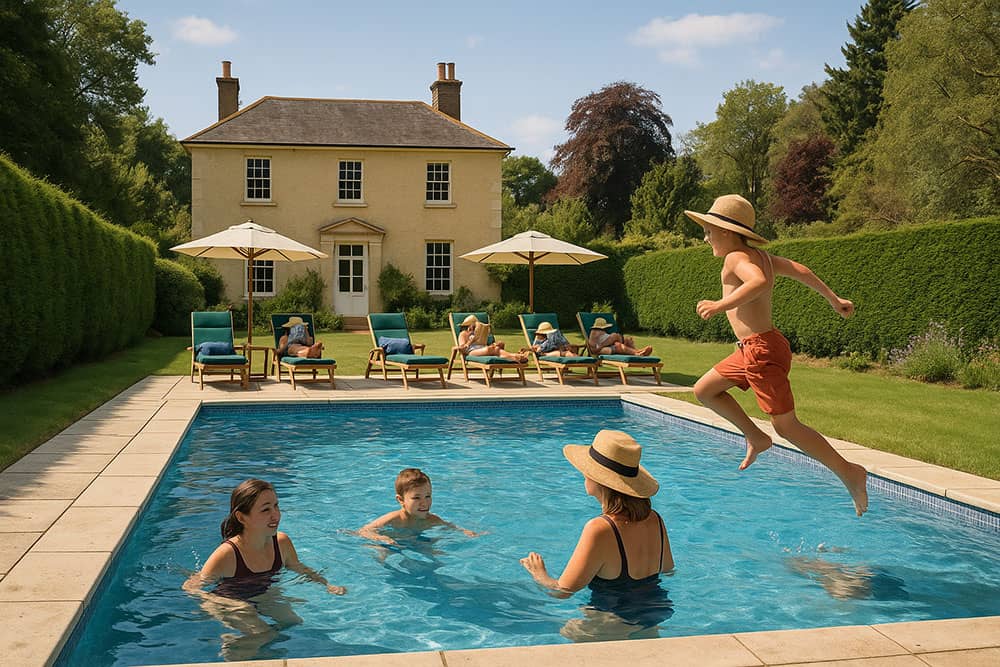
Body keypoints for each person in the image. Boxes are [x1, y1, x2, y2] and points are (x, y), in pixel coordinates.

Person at [685, 194, 868, 517]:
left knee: (786, 426)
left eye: (709, 231)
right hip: (758, 347)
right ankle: (756, 437)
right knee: (704, 390)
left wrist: (719, 305)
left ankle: (849, 471)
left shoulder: (735, 258)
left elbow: (757, 283)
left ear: (726, 231)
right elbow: (801, 270)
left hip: (760, 351)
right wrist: (833, 298)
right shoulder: (762, 256)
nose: (706, 237)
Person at [520, 430, 674, 636]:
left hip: (615, 621)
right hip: (655, 614)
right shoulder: (655, 519)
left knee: (562, 631)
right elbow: (668, 570)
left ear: (598, 480)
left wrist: (539, 574)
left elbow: (562, 592)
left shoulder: (600, 529)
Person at [183, 479, 345, 657]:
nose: (275, 515)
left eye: (276, 506)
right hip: (227, 600)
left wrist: (327, 584)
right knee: (264, 634)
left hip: (262, 593)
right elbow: (191, 588)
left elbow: (298, 567)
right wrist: (231, 605)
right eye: (266, 509)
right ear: (242, 517)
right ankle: (233, 649)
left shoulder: (281, 543)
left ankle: (249, 643)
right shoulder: (227, 554)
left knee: (292, 622)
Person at [359, 468, 479, 545]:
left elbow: (449, 526)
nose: (424, 502)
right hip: (392, 544)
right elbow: (363, 531)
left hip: (415, 541)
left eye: (428, 496)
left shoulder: (431, 519)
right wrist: (383, 539)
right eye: (416, 498)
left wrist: (466, 532)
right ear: (401, 500)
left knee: (432, 548)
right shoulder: (394, 519)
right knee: (383, 551)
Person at [458, 314, 527, 363]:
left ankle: (514, 356)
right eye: (474, 324)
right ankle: (514, 357)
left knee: (498, 345)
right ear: (469, 325)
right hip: (472, 351)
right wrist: (471, 341)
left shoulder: (476, 332)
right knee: (492, 349)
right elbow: (462, 348)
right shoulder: (463, 334)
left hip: (482, 348)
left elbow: (483, 342)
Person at [587, 317, 653, 357]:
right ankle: (638, 353)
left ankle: (639, 352)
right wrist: (600, 347)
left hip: (609, 345)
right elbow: (593, 348)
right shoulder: (594, 332)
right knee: (618, 343)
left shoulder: (601, 331)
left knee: (628, 339)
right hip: (603, 349)